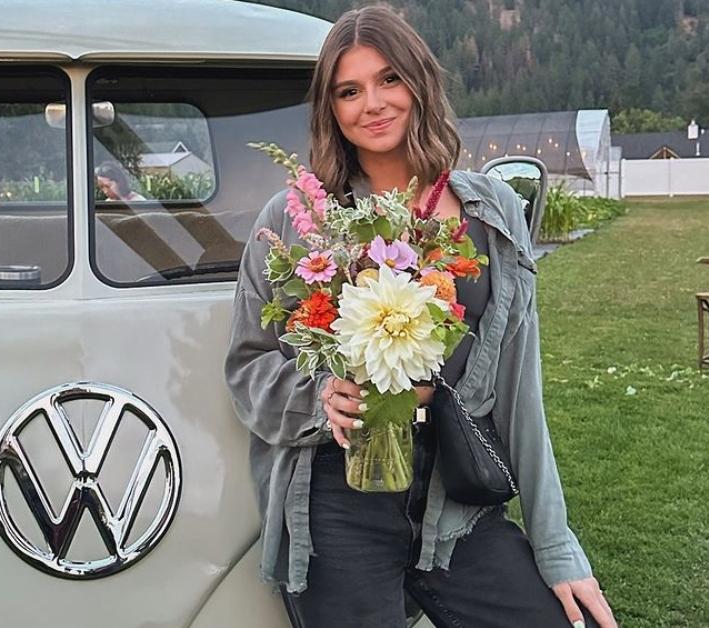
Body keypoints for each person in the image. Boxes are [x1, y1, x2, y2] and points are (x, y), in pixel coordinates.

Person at [224, 6, 617, 628]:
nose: (372, 104)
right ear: (330, 108)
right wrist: (320, 394)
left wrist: (556, 547)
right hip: (337, 498)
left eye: (389, 80)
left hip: (456, 501)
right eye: (348, 91)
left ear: (419, 84)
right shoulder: (293, 216)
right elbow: (248, 363)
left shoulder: (492, 213)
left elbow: (520, 391)